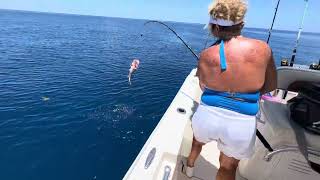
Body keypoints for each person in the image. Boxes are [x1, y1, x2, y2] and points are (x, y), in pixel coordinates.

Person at [185, 0, 277, 180]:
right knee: (227, 168)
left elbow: (203, 85)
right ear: (241, 24)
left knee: (197, 142)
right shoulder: (263, 49)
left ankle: (189, 168)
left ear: (215, 28)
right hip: (240, 124)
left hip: (208, 117)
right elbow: (271, 85)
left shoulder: (206, 55)